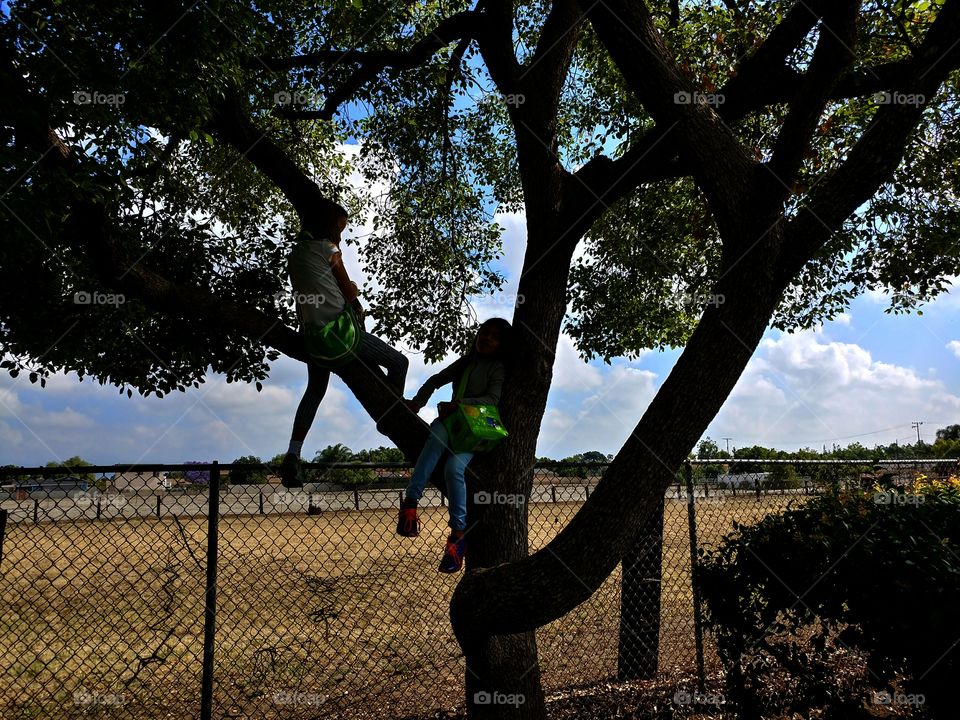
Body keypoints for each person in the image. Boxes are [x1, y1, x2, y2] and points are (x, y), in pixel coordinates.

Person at [281, 205, 408, 488]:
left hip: (313, 338)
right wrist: (353, 293)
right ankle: (392, 417)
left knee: (314, 391)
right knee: (400, 363)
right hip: (341, 334)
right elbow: (348, 291)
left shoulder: (296, 254)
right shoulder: (328, 248)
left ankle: (293, 453)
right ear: (329, 226)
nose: (341, 233)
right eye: (340, 227)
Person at [397, 318, 512, 573]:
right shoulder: (465, 363)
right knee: (432, 446)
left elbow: (492, 399)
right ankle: (410, 505)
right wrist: (418, 402)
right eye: (485, 333)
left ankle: (457, 537)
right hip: (449, 423)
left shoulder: (498, 369)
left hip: (473, 431)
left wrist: (459, 403)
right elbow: (435, 379)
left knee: (453, 470)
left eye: (495, 337)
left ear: (502, 345)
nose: (487, 339)